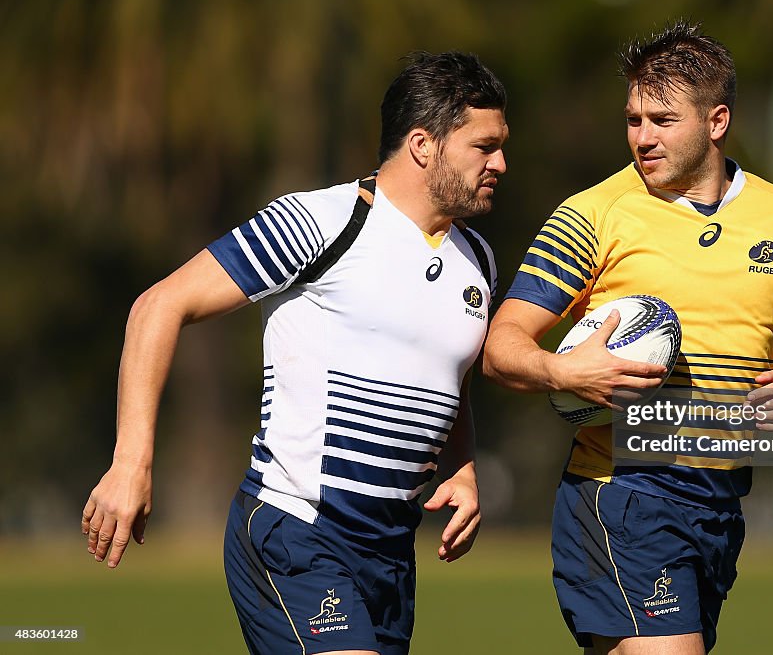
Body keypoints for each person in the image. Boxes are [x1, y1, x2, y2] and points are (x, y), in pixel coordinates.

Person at [81, 51, 509, 655]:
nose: (501, 164)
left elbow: (451, 377)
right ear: (422, 144)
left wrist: (462, 467)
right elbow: (158, 306)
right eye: (483, 147)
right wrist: (132, 464)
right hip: (297, 530)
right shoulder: (323, 221)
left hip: (389, 553)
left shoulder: (479, 261)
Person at [483, 21, 773, 655]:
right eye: (633, 119)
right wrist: (565, 373)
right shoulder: (593, 213)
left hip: (722, 499)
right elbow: (503, 343)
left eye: (662, 120)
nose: (642, 138)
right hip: (622, 491)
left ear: (716, 121)